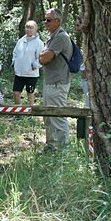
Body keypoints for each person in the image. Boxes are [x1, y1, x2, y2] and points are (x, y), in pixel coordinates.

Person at [39, 8, 73, 149]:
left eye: (48, 20)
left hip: (58, 83)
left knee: (57, 116)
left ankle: (62, 149)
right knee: (48, 116)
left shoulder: (60, 37)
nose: (45, 22)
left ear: (58, 21)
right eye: (45, 19)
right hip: (50, 82)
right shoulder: (53, 37)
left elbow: (44, 58)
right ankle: (52, 146)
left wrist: (42, 55)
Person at [11, 20, 43, 106]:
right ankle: (18, 111)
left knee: (30, 93)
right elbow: (15, 53)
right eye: (27, 27)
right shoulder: (21, 41)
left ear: (35, 29)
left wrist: (34, 66)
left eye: (31, 27)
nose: (29, 29)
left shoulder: (39, 43)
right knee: (16, 93)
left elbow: (41, 58)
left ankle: (31, 111)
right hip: (19, 73)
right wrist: (14, 62)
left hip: (31, 74)